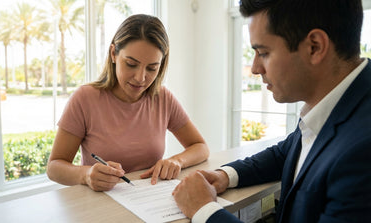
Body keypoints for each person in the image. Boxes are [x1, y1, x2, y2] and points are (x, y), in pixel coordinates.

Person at [173, 0, 371, 222]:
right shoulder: (336, 103)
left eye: (263, 52)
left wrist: (204, 210)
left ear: (314, 47)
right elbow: (286, 153)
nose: (256, 68)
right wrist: (225, 176)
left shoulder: (363, 149)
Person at [46, 14, 209, 192]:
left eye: (152, 68)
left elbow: (200, 147)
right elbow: (54, 168)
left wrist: (177, 160)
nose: (141, 78)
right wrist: (85, 175)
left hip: (147, 202)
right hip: (99, 207)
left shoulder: (162, 97)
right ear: (113, 54)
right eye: (131, 64)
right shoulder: (85, 98)